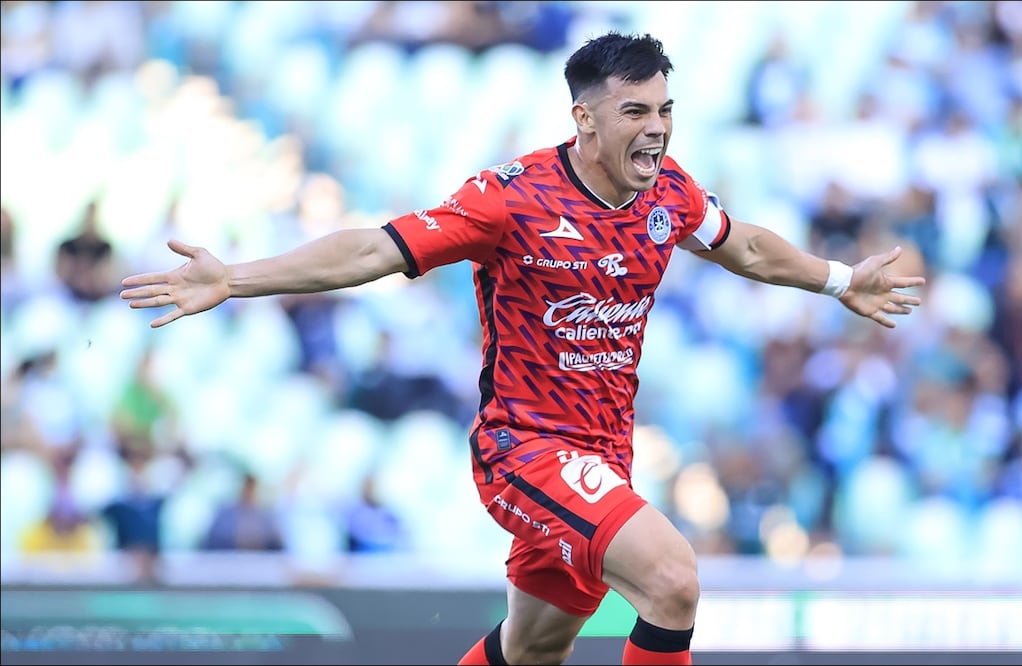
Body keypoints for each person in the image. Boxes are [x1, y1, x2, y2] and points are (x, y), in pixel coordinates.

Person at [120, 31, 925, 665]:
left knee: (534, 649)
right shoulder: (509, 197)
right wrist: (238, 279)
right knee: (673, 582)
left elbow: (742, 246)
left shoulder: (669, 191)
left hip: (602, 457)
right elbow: (374, 249)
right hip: (524, 450)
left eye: (664, 110)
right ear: (585, 118)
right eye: (635, 113)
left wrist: (837, 278)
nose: (656, 130)